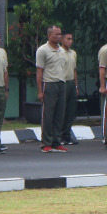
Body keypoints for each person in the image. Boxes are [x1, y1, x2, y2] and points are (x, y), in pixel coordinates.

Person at [35, 25, 69, 153]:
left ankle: (56, 141)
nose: (59, 37)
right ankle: (46, 142)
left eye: (60, 34)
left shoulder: (61, 50)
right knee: (48, 115)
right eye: (56, 34)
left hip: (61, 83)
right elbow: (39, 71)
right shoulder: (43, 50)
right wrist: (40, 91)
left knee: (59, 115)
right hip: (48, 84)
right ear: (49, 36)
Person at [60, 32, 80, 145]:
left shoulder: (73, 53)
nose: (70, 41)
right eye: (68, 39)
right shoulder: (59, 52)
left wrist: (76, 86)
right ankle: (59, 135)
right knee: (62, 109)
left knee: (71, 111)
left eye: (71, 39)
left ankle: (67, 134)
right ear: (62, 40)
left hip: (71, 82)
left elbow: (74, 70)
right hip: (63, 82)